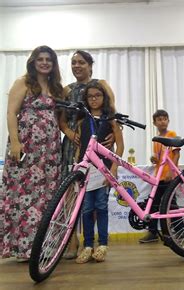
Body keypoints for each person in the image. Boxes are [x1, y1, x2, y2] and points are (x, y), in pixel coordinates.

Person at [0, 45, 63, 262]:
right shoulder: (23, 83)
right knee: (23, 197)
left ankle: (42, 247)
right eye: (40, 59)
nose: (45, 63)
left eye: (49, 60)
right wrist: (15, 143)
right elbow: (11, 113)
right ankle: (21, 248)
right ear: (33, 62)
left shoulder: (56, 87)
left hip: (51, 150)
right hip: (27, 147)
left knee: (46, 197)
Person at [61, 50, 117, 259]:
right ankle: (72, 243)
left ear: (90, 65)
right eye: (73, 63)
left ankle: (97, 244)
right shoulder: (67, 89)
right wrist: (68, 132)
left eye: (81, 62)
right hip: (74, 146)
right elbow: (61, 119)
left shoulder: (101, 84)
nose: (77, 66)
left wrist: (111, 134)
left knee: (97, 200)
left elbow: (112, 111)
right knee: (72, 197)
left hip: (100, 145)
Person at [75, 82, 124, 263]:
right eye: (90, 96)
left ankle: (103, 245)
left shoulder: (110, 119)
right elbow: (80, 147)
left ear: (104, 98)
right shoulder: (83, 120)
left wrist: (113, 168)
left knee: (102, 207)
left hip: (103, 170)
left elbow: (120, 145)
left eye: (98, 95)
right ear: (86, 100)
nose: (94, 99)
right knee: (86, 209)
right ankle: (88, 245)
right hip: (86, 171)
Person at [139, 109, 180, 243]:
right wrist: (154, 159)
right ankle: (152, 232)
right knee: (154, 204)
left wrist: (171, 172)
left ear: (168, 120)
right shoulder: (156, 140)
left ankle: (179, 230)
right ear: (154, 123)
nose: (162, 121)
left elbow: (176, 154)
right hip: (159, 177)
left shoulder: (172, 134)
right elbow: (159, 159)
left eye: (164, 118)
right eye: (159, 119)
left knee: (171, 204)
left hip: (169, 176)